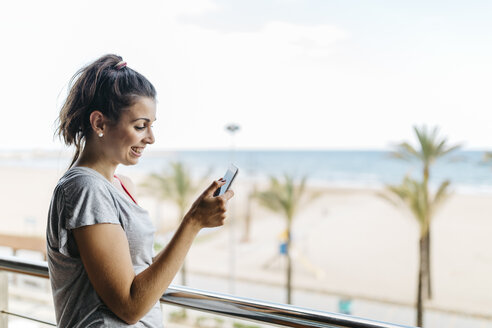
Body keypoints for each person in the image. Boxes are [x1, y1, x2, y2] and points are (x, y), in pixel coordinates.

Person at [46, 54, 234, 327]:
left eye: (151, 125)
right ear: (99, 123)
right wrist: (193, 222)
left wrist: (196, 224)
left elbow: (136, 273)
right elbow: (130, 306)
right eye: (140, 126)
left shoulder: (119, 185)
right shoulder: (86, 189)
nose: (151, 138)